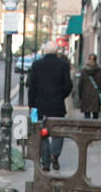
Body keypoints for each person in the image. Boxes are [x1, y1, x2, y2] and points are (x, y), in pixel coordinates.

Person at [27, 41, 73, 171]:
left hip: (39, 105)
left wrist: (31, 105)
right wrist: (60, 96)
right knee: (58, 132)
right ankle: (55, 154)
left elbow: (32, 87)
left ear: (45, 51)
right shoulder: (63, 65)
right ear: (57, 51)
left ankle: (45, 162)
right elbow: (68, 85)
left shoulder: (36, 65)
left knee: (42, 134)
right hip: (57, 105)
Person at [78, 54, 101, 119]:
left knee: (87, 115)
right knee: (95, 116)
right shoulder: (99, 71)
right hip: (96, 97)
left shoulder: (83, 71)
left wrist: (80, 97)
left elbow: (80, 85)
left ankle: (87, 128)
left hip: (86, 96)